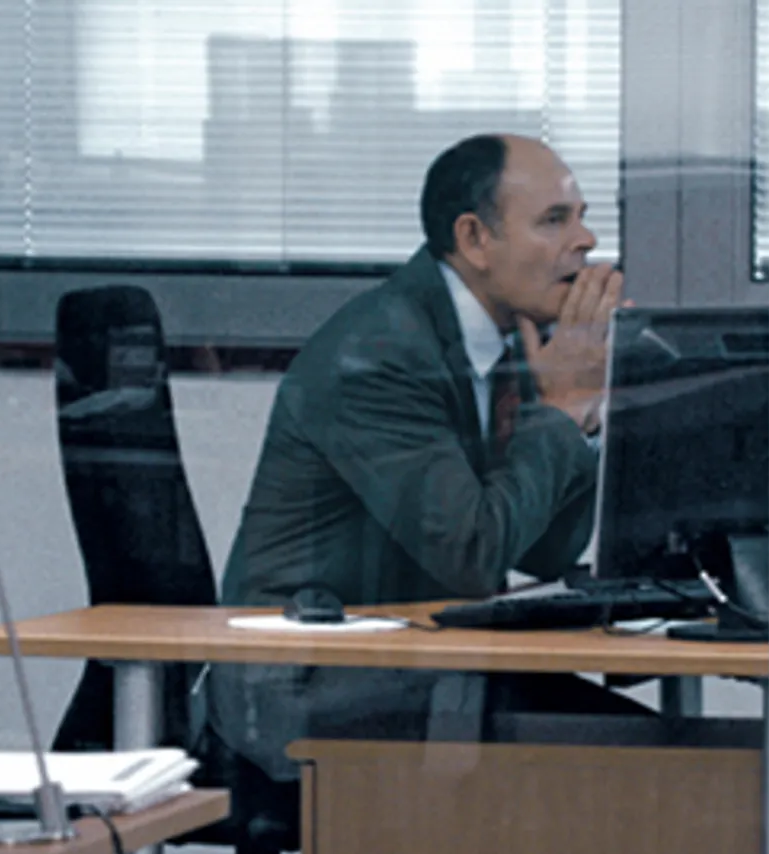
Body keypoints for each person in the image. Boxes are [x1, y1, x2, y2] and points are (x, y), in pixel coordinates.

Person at [201, 133, 655, 779]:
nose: (586, 240)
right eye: (555, 220)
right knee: (662, 772)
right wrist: (561, 409)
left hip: (423, 669)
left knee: (683, 761)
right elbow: (472, 554)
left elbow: (544, 551)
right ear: (474, 239)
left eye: (581, 217)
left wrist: (579, 414)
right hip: (307, 689)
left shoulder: (506, 343)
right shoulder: (382, 354)